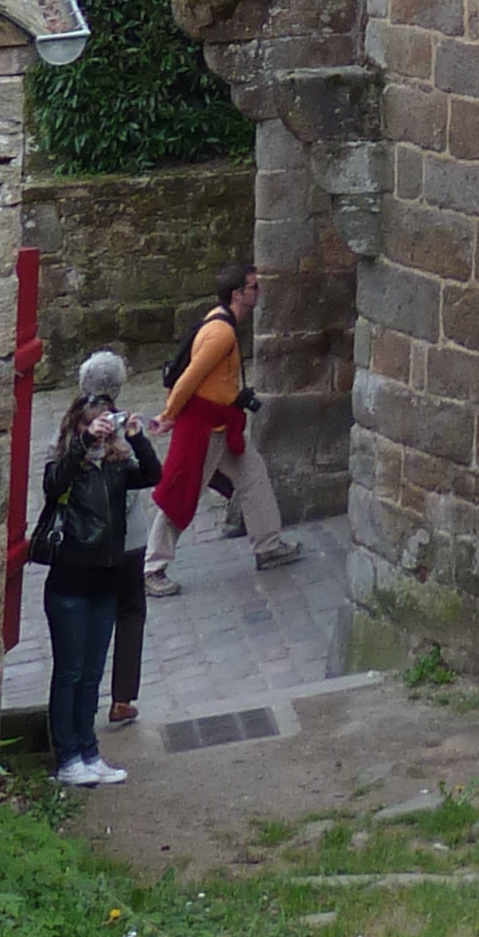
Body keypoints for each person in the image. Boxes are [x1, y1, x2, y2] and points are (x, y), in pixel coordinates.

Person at [145, 261, 301, 584]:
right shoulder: (221, 332)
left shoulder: (220, 322)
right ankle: (152, 567)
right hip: (204, 428)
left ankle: (268, 545)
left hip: (221, 423)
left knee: (253, 475)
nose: (258, 291)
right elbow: (190, 378)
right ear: (237, 295)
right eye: (253, 287)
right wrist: (168, 416)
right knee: (182, 492)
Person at [36, 383, 159, 786]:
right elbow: (54, 486)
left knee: (91, 673)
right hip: (69, 585)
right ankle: (67, 756)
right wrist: (84, 444)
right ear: (79, 428)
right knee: (69, 672)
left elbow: (152, 475)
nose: (101, 431)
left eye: (105, 423)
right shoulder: (64, 466)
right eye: (91, 425)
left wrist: (138, 439)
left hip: (105, 583)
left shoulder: (117, 467)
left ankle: (89, 751)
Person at [74, 348, 157, 728]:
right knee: (130, 612)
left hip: (86, 540)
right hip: (127, 539)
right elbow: (145, 477)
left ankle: (81, 699)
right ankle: (122, 698)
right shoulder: (120, 425)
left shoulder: (72, 426)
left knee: (88, 617)